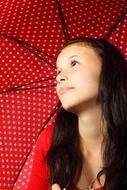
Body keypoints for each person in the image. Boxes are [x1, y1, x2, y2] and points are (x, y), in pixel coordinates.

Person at [13, 37, 127, 190]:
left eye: (74, 63)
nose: (60, 77)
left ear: (108, 71)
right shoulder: (51, 139)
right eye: (58, 71)